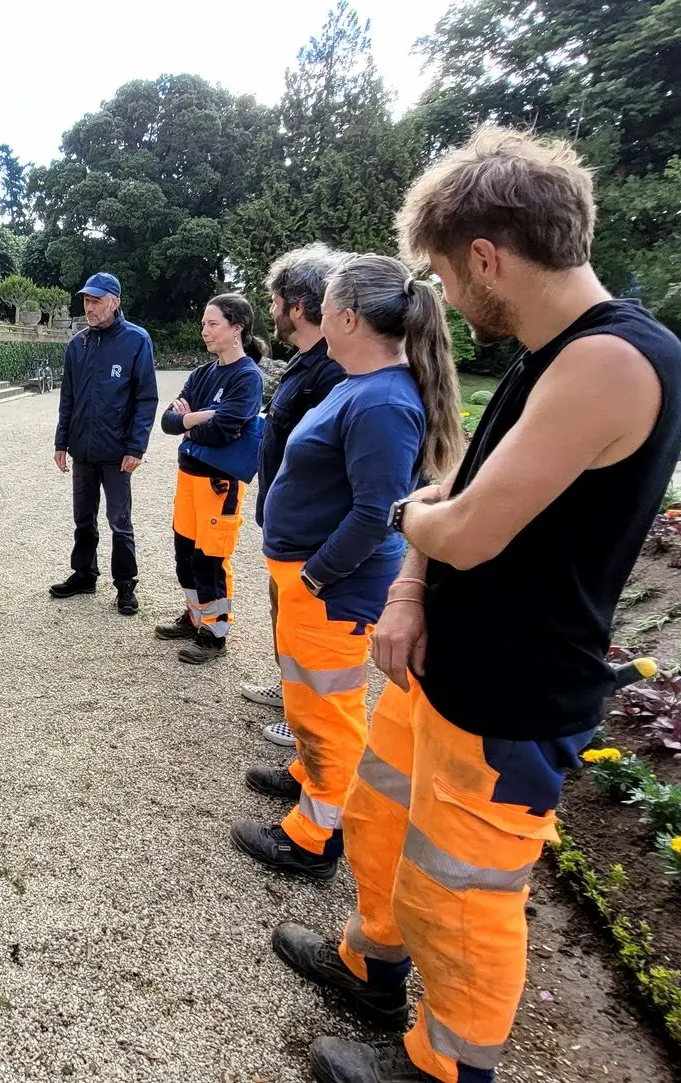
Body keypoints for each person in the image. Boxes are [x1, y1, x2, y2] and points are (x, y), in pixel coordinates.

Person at [278, 127, 681, 1083]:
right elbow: (453, 494)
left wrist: (411, 521)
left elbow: (463, 526)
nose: (447, 301)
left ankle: (447, 1066)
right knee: (382, 821)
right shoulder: (550, 354)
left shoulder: (612, 361)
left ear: (487, 256)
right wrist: (413, 586)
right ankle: (370, 966)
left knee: (460, 895)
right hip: (442, 661)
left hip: (510, 689)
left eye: (445, 276)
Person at [230, 253, 463, 886]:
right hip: (316, 580)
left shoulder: (384, 402)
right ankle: (308, 778)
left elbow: (376, 511)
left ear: (349, 317)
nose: (317, 311)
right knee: (310, 703)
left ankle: (315, 837)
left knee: (330, 712)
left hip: (330, 588)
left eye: (328, 303)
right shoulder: (364, 387)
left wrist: (313, 576)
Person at [241, 245, 350, 749]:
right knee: (283, 615)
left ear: (298, 308)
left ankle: (303, 716)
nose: (271, 310)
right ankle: (289, 693)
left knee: (309, 628)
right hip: (288, 524)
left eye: (275, 300)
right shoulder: (308, 362)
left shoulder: (332, 370)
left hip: (314, 531)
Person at [153, 294, 264, 665]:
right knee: (184, 555)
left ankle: (215, 634)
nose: (205, 331)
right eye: (204, 323)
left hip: (220, 484)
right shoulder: (203, 373)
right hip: (189, 478)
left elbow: (226, 430)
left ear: (237, 329)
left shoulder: (247, 377)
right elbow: (169, 422)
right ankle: (195, 615)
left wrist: (191, 420)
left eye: (212, 324)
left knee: (211, 559)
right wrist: (201, 418)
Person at [50, 272, 159, 616]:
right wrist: (61, 441)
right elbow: (67, 398)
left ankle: (125, 584)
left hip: (116, 451)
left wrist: (136, 447)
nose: (90, 307)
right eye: (86, 300)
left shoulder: (136, 340)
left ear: (115, 302)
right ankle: (84, 574)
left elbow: (146, 398)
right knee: (83, 517)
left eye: (96, 301)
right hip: (82, 449)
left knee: (119, 520)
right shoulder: (77, 345)